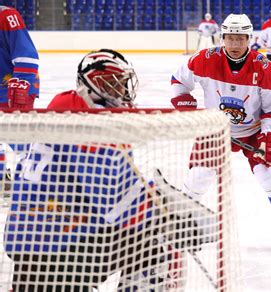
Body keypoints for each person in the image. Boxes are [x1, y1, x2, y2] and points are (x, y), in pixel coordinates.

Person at [4, 49, 199, 291]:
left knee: (147, 229)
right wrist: (166, 213)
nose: (121, 91)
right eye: (111, 84)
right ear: (90, 85)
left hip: (43, 245)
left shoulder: (71, 106)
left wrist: (161, 201)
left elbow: (111, 189)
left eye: (121, 84)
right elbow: (113, 203)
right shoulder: (83, 114)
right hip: (53, 253)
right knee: (152, 238)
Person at [170, 13, 271, 249]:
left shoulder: (266, 68)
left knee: (267, 175)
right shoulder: (205, 59)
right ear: (223, 38)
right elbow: (179, 79)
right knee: (199, 175)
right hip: (215, 128)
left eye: (240, 39)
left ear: (249, 39)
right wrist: (181, 99)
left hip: (252, 131)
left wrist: (269, 137)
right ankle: (181, 222)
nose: (235, 44)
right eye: (230, 38)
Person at [0, 5, 40, 201]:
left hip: (14, 88)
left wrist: (22, 82)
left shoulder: (6, 16)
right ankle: (2, 179)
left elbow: (27, 54)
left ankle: (32, 181)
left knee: (21, 139)